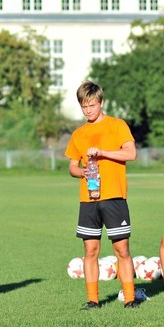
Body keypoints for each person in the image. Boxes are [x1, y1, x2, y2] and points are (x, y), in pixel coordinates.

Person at [64, 80, 138, 309]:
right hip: (89, 199)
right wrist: (82, 171)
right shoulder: (79, 133)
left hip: (114, 196)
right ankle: (93, 300)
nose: (88, 110)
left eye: (92, 105)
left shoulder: (117, 125)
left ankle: (130, 299)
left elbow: (131, 153)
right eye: (84, 106)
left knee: (121, 249)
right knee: (90, 250)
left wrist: (102, 152)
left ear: (101, 102)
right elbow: (72, 167)